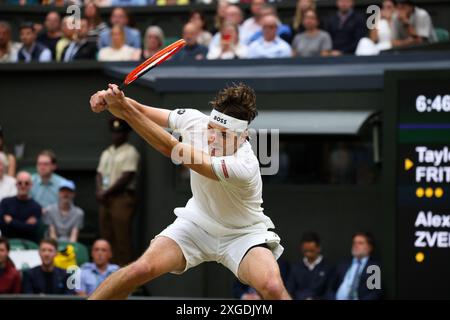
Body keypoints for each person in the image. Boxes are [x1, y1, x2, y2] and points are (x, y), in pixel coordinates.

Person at [88, 82, 290, 300]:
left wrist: (124, 109)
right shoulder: (194, 121)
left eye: (224, 134)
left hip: (242, 234)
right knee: (140, 270)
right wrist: (111, 101)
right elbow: (140, 110)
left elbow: (171, 148)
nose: (213, 138)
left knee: (272, 287)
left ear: (243, 137)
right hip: (196, 224)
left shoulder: (244, 166)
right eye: (211, 128)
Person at [96, 118, 140, 266]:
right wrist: (99, 190)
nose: (116, 136)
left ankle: (125, 274)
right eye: (114, 133)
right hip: (106, 199)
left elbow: (127, 176)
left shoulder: (130, 152)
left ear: (127, 134)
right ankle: (108, 273)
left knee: (122, 238)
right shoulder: (107, 152)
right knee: (106, 237)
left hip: (121, 198)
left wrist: (106, 192)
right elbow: (99, 174)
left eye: (120, 133)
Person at [328, 232, 383, 300]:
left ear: (370, 247)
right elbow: (330, 288)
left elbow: (376, 292)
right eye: (354, 243)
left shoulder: (374, 267)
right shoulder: (342, 264)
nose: (356, 245)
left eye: (360, 243)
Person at [286, 232, 333, 300]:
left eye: (311, 251)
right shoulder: (295, 268)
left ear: (319, 248)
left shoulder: (328, 268)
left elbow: (330, 291)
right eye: (306, 251)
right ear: (302, 248)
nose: (308, 254)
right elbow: (290, 290)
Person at [0, 171, 42, 242]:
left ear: (31, 185)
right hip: (7, 243)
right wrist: (24, 224)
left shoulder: (36, 206)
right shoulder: (5, 202)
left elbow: (31, 229)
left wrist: (11, 221)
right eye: (20, 183)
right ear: (16, 185)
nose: (23, 186)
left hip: (29, 245)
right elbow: (3, 226)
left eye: (26, 183)